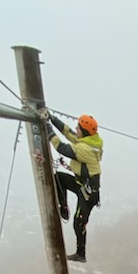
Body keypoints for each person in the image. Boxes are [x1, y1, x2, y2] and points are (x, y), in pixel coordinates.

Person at [45, 112, 103, 263]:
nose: (76, 129)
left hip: (88, 194)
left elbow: (62, 148)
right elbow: (68, 132)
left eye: (79, 128)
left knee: (79, 222)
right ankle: (63, 207)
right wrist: (51, 118)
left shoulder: (85, 148)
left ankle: (81, 254)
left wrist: (48, 129)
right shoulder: (87, 141)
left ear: (83, 132)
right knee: (59, 178)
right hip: (81, 185)